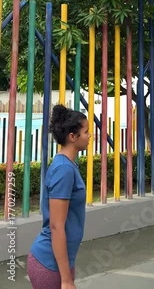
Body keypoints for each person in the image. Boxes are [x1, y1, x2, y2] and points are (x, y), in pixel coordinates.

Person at [27, 104, 90, 289]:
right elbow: (56, 226)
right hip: (49, 263)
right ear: (72, 137)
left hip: (60, 263)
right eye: (86, 132)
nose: (89, 136)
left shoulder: (68, 165)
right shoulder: (64, 169)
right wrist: (66, 279)